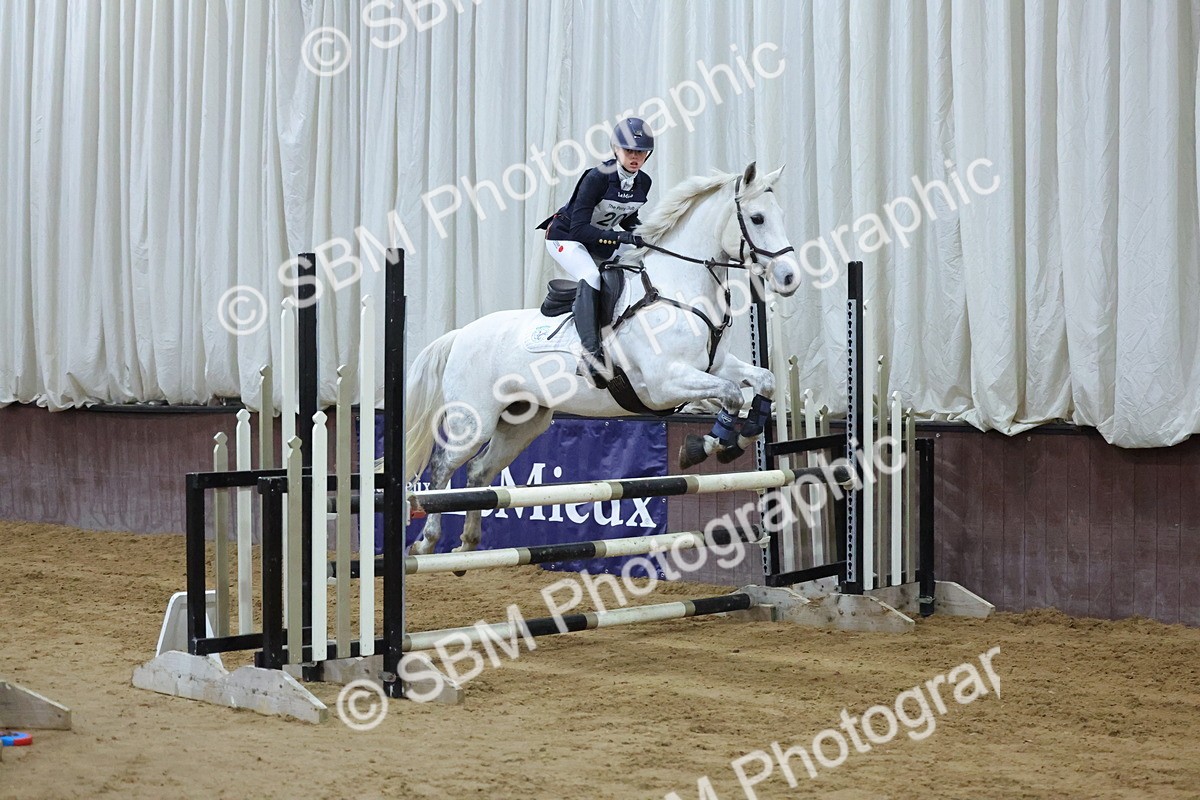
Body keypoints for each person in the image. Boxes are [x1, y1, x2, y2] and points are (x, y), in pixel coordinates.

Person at [538, 117, 654, 387]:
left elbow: (626, 216)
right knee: (590, 275)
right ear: (616, 149)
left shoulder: (643, 182)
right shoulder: (597, 177)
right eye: (629, 150)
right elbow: (579, 229)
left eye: (641, 152)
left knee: (643, 263)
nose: (635, 157)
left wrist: (647, 234)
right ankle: (590, 354)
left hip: (599, 240)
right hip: (565, 237)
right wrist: (620, 236)